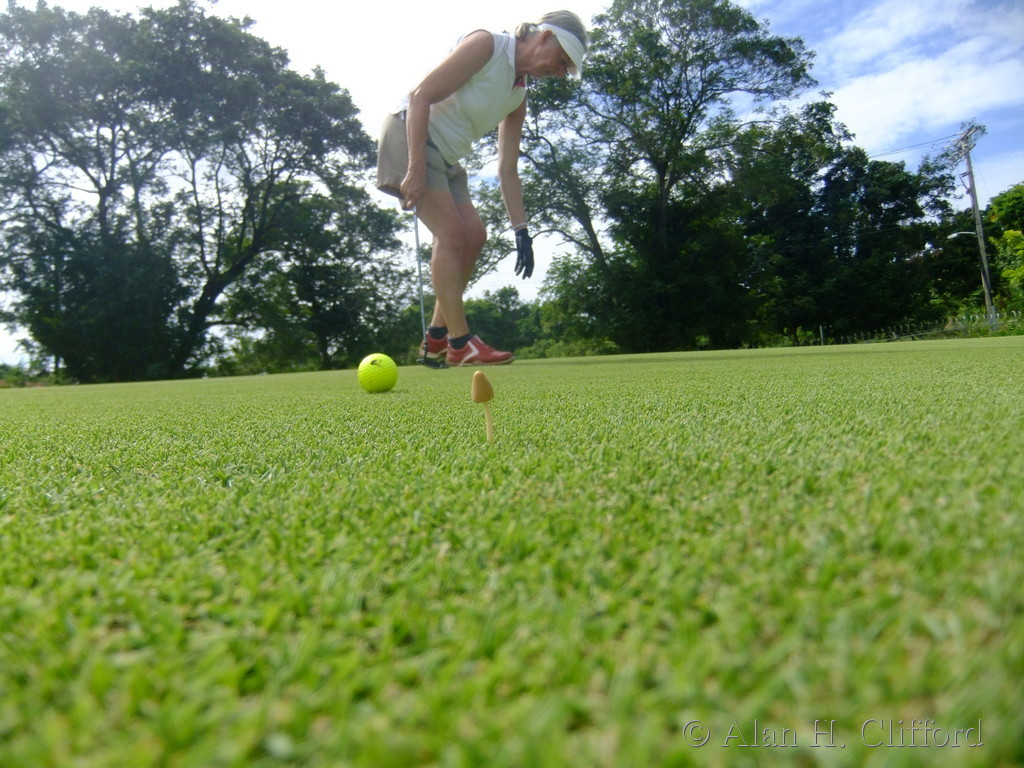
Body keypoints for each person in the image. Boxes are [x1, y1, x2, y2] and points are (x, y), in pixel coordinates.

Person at [377, 11, 588, 366]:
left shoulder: (518, 96)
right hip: (410, 135)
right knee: (451, 234)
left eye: (566, 68)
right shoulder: (488, 45)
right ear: (545, 37)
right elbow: (420, 96)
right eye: (562, 60)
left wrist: (522, 231)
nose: (560, 72)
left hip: (448, 157)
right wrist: (415, 168)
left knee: (474, 235)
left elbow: (507, 170)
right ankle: (460, 344)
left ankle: (436, 338)